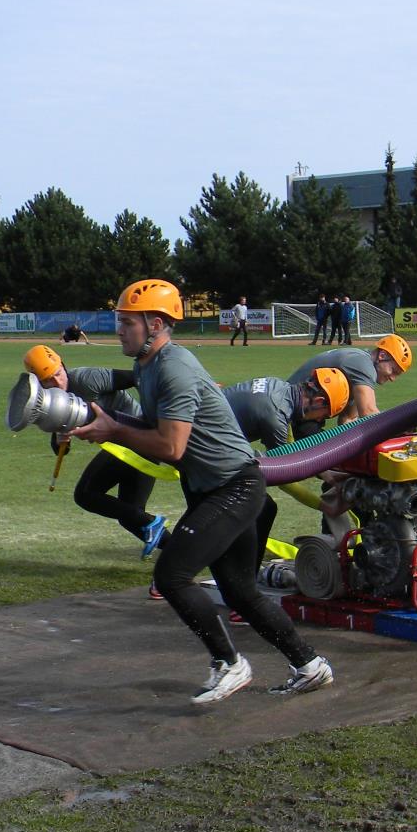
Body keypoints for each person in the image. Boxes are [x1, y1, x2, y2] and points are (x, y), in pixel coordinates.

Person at [72, 278, 333, 702]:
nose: (118, 328)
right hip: (220, 486)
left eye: (126, 322)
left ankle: (230, 663)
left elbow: (170, 447)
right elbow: (161, 433)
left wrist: (115, 429)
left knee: (172, 576)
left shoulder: (172, 367)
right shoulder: (147, 365)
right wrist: (108, 427)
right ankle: (309, 664)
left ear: (155, 324)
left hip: (231, 487)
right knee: (240, 591)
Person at [23, 344, 165, 559]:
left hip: (139, 440)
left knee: (86, 494)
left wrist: (179, 393)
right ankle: (181, 552)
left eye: (58, 374)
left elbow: (137, 377)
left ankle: (162, 537)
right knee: (132, 516)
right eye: (48, 381)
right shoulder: (51, 403)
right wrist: (61, 438)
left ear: (63, 365)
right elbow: (60, 448)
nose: (57, 383)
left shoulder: (87, 379)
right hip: (122, 446)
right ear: (37, 383)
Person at [221, 368, 351, 583]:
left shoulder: (280, 387)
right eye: (325, 415)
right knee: (261, 509)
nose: (322, 421)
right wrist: (324, 506)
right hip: (206, 454)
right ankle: (244, 585)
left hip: (207, 445)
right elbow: (285, 478)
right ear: (319, 401)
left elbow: (290, 451)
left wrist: (327, 474)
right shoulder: (274, 415)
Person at [287, 334, 411, 427]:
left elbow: (348, 418)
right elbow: (369, 413)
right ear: (382, 356)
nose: (393, 378)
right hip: (292, 411)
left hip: (300, 411)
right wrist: (398, 429)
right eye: (393, 370)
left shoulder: (361, 363)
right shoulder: (364, 366)